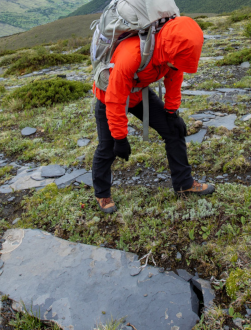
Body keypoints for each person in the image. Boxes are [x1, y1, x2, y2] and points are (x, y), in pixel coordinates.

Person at [91, 15, 215, 213]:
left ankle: (184, 184)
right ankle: (102, 195)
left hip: (140, 94)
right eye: (177, 63)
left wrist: (172, 112)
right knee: (108, 147)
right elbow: (115, 99)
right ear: (168, 49)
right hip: (109, 97)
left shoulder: (174, 54)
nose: (177, 67)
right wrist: (120, 138)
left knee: (174, 132)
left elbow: (174, 79)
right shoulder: (131, 54)